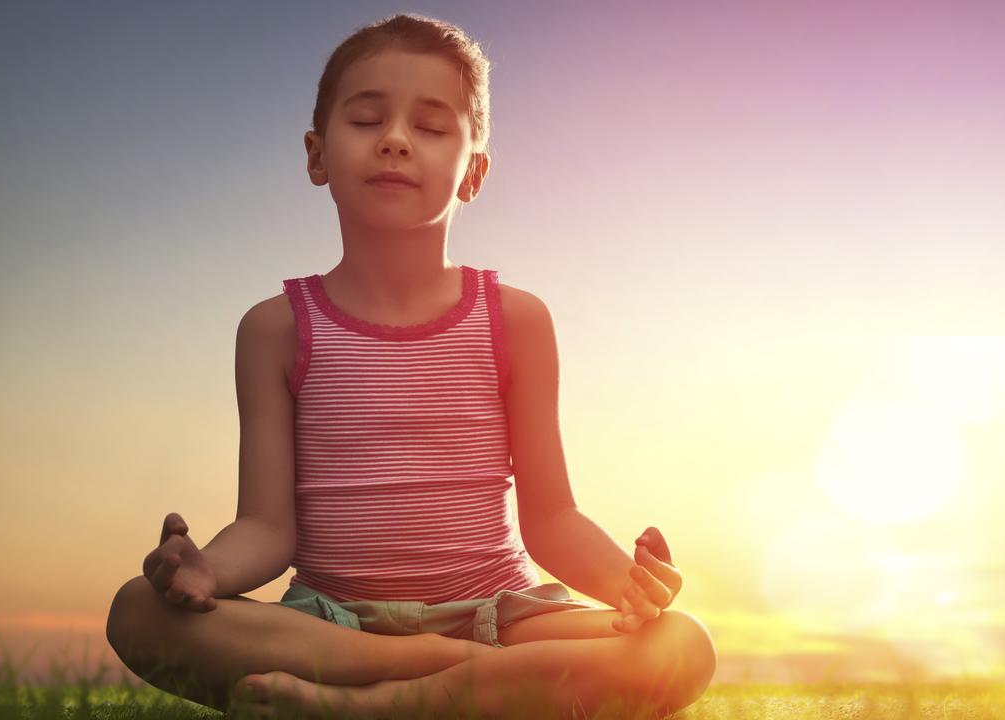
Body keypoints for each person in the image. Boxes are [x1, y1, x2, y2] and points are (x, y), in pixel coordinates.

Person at [105, 12, 716, 719]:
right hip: (334, 624)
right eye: (367, 119)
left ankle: (377, 705)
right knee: (136, 612)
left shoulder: (516, 321)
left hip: (502, 617)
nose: (395, 140)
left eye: (430, 128)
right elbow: (268, 529)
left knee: (683, 646)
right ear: (317, 154)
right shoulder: (273, 330)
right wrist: (206, 568)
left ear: (474, 172)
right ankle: (447, 677)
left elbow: (551, 518)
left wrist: (627, 584)